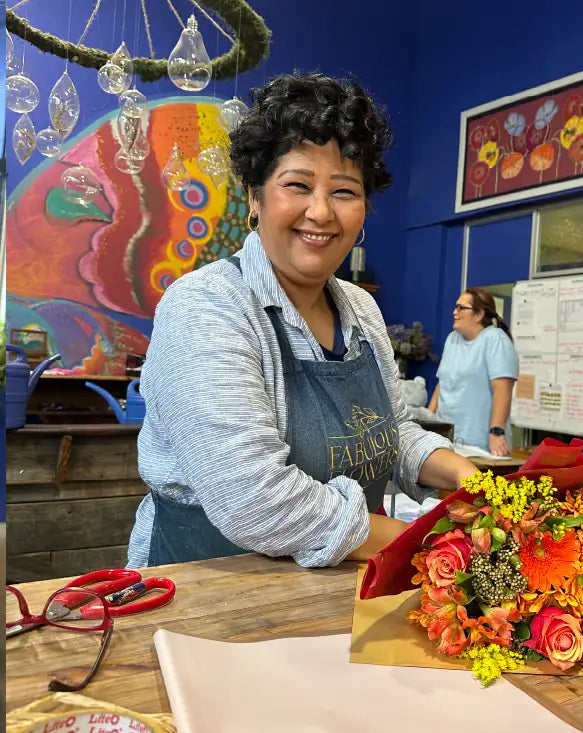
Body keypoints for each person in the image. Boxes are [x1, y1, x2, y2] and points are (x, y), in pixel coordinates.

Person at [126, 73, 483, 569]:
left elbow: (390, 433)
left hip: (342, 592)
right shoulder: (205, 307)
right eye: (297, 184)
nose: (320, 212)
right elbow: (257, 501)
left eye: (344, 191)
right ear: (255, 196)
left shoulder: (361, 309)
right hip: (208, 598)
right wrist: (426, 545)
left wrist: (472, 480)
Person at [430, 288, 518, 457]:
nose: (454, 312)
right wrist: (427, 422)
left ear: (478, 315)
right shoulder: (452, 339)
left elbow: (503, 390)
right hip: (446, 439)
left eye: (461, 308)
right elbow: (442, 384)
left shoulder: (495, 339)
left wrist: (497, 432)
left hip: (480, 444)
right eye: (455, 307)